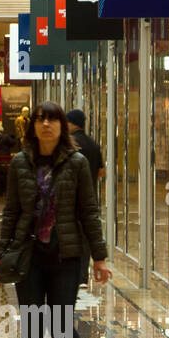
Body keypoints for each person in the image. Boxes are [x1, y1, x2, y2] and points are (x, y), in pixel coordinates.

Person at [0, 101, 112, 338]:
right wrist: (2, 253)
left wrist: (99, 257)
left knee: (60, 324)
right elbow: (11, 211)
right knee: (31, 326)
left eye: (52, 119)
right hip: (28, 256)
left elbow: (89, 211)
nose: (46, 124)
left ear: (61, 126)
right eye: (41, 119)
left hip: (66, 256)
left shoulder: (77, 163)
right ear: (33, 126)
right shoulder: (20, 163)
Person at [66, 109, 105, 287]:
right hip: (89, 197)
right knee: (87, 235)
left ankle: (72, 274)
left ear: (73, 123)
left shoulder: (69, 143)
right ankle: (83, 276)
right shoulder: (93, 144)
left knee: (72, 236)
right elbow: (101, 172)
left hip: (71, 198)